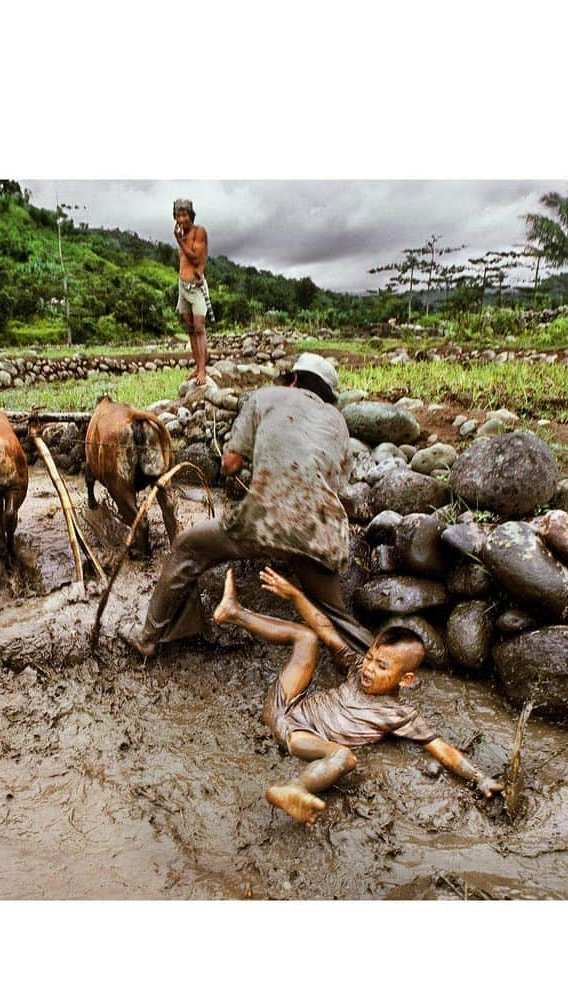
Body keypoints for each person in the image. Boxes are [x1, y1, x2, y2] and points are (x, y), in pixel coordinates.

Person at [213, 565, 504, 826]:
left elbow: (444, 751)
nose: (368, 668)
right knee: (308, 637)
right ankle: (234, 612)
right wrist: (294, 595)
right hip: (283, 704)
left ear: (406, 679)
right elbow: (326, 629)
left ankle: (296, 788)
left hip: (299, 734)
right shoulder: (355, 668)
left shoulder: (400, 715)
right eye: (370, 658)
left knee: (343, 756)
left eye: (381, 666)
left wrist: (479, 778)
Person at [127, 352, 371, 657]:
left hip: (265, 520)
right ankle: (377, 661)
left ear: (293, 380)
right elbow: (335, 484)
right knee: (337, 615)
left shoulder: (265, 396)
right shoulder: (337, 420)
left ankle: (149, 640)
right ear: (326, 393)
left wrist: (249, 463)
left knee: (187, 547)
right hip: (323, 532)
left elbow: (230, 463)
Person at [172, 198, 211, 386]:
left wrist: (179, 241)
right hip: (182, 286)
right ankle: (197, 367)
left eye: (184, 214)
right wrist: (180, 239)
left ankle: (203, 369)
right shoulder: (182, 234)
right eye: (178, 215)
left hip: (195, 288)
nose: (182, 219)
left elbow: (195, 259)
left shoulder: (199, 232)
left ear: (191, 215)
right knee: (189, 329)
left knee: (199, 328)